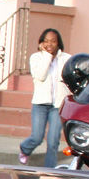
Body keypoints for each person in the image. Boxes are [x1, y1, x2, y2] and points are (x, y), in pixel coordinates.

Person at [18, 28, 71, 168]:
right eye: (46, 41)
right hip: (40, 104)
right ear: (41, 42)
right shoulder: (36, 57)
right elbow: (40, 76)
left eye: (53, 41)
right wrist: (47, 56)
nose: (49, 44)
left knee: (53, 141)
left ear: (58, 43)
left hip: (58, 105)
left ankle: (49, 171)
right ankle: (25, 149)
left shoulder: (66, 58)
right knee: (37, 137)